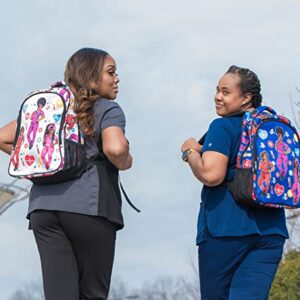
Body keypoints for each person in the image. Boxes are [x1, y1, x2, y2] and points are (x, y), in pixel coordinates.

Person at [0, 48, 133, 300]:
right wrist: (127, 161)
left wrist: (40, 163)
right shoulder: (106, 108)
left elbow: (3, 137)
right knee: (91, 294)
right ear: (91, 76)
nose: (117, 79)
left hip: (43, 210)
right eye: (111, 72)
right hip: (89, 206)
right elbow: (115, 148)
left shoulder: (52, 108)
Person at [181, 65, 288, 300]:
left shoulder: (222, 126)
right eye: (217, 90)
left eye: (226, 92)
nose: (218, 96)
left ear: (246, 98)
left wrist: (189, 153)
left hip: (225, 231)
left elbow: (211, 174)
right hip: (271, 233)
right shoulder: (269, 128)